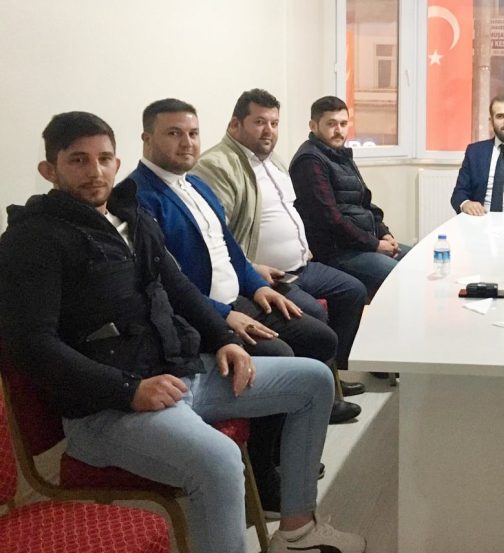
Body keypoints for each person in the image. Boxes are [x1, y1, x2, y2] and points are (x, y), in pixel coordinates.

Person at [0, 111, 366, 553]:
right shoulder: (33, 241)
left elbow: (179, 289)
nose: (94, 171)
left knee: (314, 380)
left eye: (104, 159)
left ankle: (297, 532)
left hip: (180, 374)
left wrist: (225, 340)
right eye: (78, 160)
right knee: (220, 460)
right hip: (108, 410)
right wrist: (130, 390)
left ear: (117, 163)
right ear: (49, 170)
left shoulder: (130, 218)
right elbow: (32, 346)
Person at [122, 98, 360, 422]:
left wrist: (259, 287)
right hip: (198, 314)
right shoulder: (136, 197)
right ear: (147, 139)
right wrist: (223, 315)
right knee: (280, 355)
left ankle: (299, 422)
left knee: (320, 338)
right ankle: (269, 449)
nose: (187, 142)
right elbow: (163, 283)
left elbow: (230, 250)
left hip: (239, 298)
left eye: (193, 133)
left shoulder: (195, 184)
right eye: (174, 133)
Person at [184, 91, 368, 398]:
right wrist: (252, 269)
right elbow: (218, 235)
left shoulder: (273, 161)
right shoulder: (217, 166)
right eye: (259, 122)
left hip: (302, 265)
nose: (268, 130)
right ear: (235, 125)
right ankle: (322, 393)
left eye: (274, 123)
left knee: (353, 291)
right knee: (312, 314)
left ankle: (333, 376)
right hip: (267, 275)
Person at [285, 95, 407, 297]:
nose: (339, 130)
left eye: (343, 124)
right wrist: (375, 245)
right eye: (331, 124)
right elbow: (331, 219)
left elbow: (364, 202)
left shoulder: (340, 154)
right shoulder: (310, 160)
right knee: (401, 276)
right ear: (313, 126)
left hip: (361, 243)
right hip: (336, 252)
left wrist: (384, 233)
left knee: (419, 261)